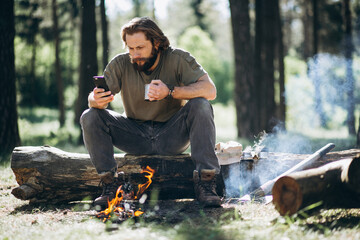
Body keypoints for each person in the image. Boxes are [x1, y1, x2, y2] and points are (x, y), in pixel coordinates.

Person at [80, 17, 221, 208]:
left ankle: (206, 183)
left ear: (156, 43)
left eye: (140, 48)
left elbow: (210, 90)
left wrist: (170, 91)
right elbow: (95, 100)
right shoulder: (121, 64)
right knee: (90, 115)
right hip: (134, 135)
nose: (135, 54)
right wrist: (94, 99)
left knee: (201, 105)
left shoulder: (177, 59)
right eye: (131, 48)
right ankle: (110, 185)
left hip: (171, 134)